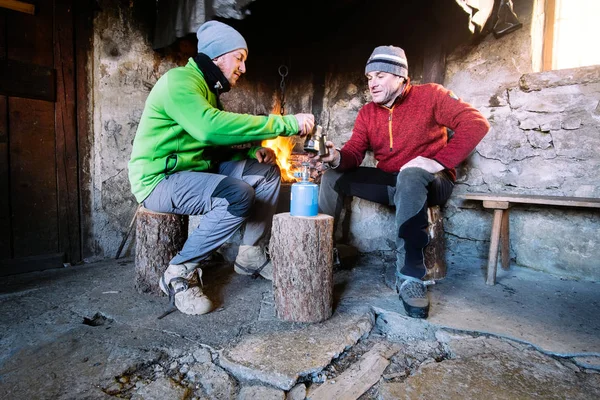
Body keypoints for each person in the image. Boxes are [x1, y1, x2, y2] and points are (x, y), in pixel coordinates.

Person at [128, 20, 315, 316]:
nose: (243, 68)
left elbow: (210, 143)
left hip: (196, 172)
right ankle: (179, 271)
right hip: (160, 180)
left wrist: (254, 149)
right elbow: (207, 129)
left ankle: (251, 254)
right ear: (217, 57)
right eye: (239, 59)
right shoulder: (180, 82)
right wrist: (286, 123)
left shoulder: (206, 90)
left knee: (266, 173)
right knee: (237, 194)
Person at [312, 45, 490, 319]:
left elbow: (476, 123)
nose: (372, 83)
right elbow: (354, 153)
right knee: (333, 174)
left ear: (400, 77)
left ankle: (410, 278)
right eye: (369, 78)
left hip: (433, 181)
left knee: (411, 173)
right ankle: (325, 250)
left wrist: (437, 162)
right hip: (392, 181)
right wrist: (335, 157)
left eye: (380, 75)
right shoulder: (368, 113)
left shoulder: (432, 95)